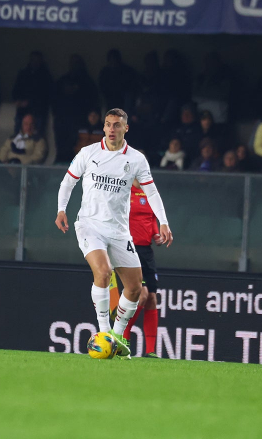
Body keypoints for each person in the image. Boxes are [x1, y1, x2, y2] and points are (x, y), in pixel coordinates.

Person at [55, 108, 174, 358]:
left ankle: (117, 337)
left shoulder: (137, 159)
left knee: (135, 288)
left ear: (125, 128)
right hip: (90, 225)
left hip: (119, 231)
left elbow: (152, 192)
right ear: (104, 127)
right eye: (108, 124)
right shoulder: (88, 153)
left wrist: (163, 222)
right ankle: (104, 333)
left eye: (117, 125)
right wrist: (61, 209)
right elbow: (68, 181)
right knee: (103, 272)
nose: (111, 129)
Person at [121, 179, 166, 358]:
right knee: (142, 294)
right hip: (129, 249)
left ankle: (151, 351)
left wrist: (156, 233)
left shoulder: (150, 192)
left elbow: (152, 218)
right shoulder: (124, 191)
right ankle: (123, 336)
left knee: (152, 298)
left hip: (146, 251)